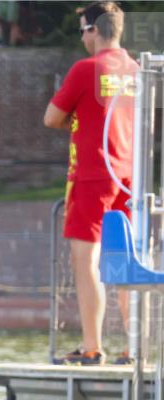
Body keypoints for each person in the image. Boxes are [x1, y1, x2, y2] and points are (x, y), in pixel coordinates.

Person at [43, 2, 137, 365]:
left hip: (92, 175)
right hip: (129, 177)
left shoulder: (86, 69)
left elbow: (52, 117)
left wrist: (76, 119)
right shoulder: (136, 69)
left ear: (94, 31)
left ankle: (92, 346)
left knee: (87, 263)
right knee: (128, 263)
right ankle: (133, 347)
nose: (82, 37)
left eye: (83, 30)